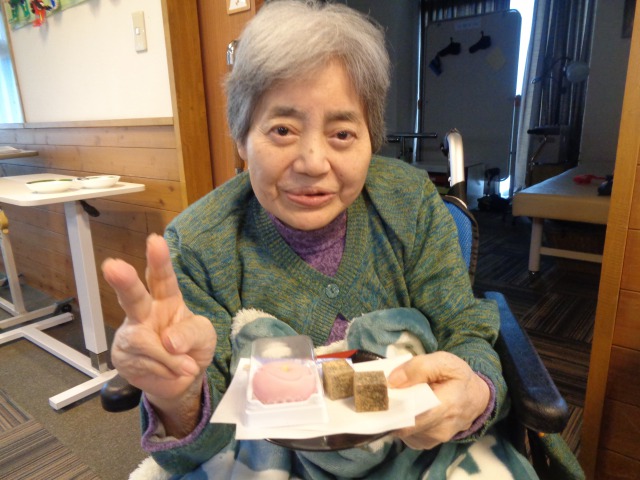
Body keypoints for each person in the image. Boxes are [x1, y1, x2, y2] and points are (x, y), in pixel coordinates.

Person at [102, 1, 539, 478]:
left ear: (371, 139)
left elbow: (463, 327)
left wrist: (474, 391)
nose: (312, 162)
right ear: (242, 139)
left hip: (419, 448)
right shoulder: (198, 246)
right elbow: (195, 452)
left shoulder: (409, 202)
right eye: (282, 129)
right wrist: (179, 399)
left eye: (342, 133)